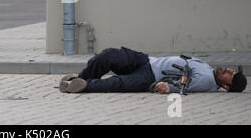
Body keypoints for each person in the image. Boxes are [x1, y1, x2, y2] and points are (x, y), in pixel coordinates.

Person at [59, 47, 247, 94]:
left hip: (150, 75)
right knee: (109, 55)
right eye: (232, 70)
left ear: (226, 87)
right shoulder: (209, 70)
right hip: (147, 60)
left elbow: (185, 86)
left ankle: (83, 85)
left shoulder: (207, 81)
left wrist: (168, 88)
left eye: (231, 76)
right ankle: (81, 78)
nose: (229, 71)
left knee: (118, 83)